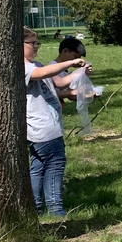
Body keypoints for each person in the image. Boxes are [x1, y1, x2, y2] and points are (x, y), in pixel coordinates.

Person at [23, 28, 88, 217]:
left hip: (46, 126)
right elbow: (43, 72)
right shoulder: (24, 68)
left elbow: (59, 83)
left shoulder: (35, 64)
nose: (36, 46)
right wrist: (70, 62)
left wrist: (81, 72)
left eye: (37, 42)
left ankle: (36, 208)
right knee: (55, 165)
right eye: (32, 43)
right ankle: (55, 209)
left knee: (38, 167)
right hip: (43, 128)